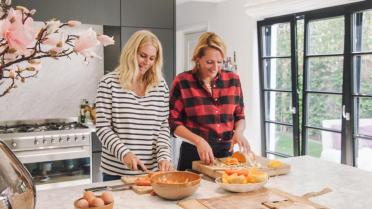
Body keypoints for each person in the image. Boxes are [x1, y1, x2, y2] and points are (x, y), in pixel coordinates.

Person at [95, 30, 172, 181]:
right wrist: (125, 153)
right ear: (131, 52)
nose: (147, 62)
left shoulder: (160, 85)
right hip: (117, 173)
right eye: (143, 56)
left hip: (152, 172)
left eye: (152, 58)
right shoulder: (108, 83)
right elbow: (103, 128)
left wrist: (164, 156)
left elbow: (163, 126)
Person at [169, 32, 251, 171]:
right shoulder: (183, 81)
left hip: (226, 156)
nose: (215, 68)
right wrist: (198, 141)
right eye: (209, 62)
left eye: (219, 62)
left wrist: (239, 132)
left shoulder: (233, 80)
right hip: (194, 153)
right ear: (197, 59)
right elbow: (172, 121)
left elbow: (240, 116)